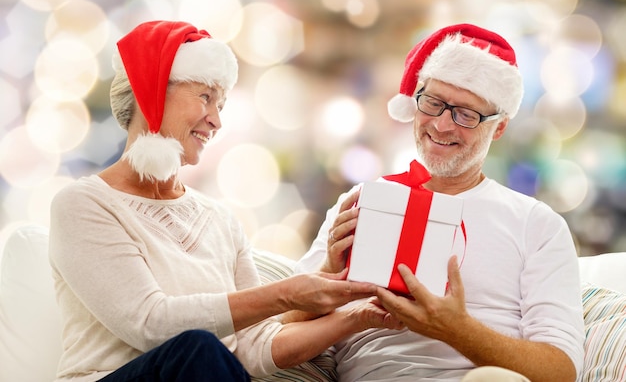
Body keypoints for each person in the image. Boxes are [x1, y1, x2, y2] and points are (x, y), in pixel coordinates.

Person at [48, 20, 401, 382]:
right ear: (151, 91)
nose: (216, 120)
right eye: (205, 97)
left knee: (207, 354)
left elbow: (253, 348)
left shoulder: (219, 220)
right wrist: (285, 295)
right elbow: (151, 325)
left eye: (221, 104)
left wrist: (359, 316)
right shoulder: (84, 204)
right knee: (198, 349)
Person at [295, 23, 585, 382]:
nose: (442, 125)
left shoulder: (536, 223)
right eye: (433, 103)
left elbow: (561, 371)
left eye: (466, 114)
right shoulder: (361, 202)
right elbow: (277, 331)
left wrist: (456, 329)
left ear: (498, 127)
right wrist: (328, 270)